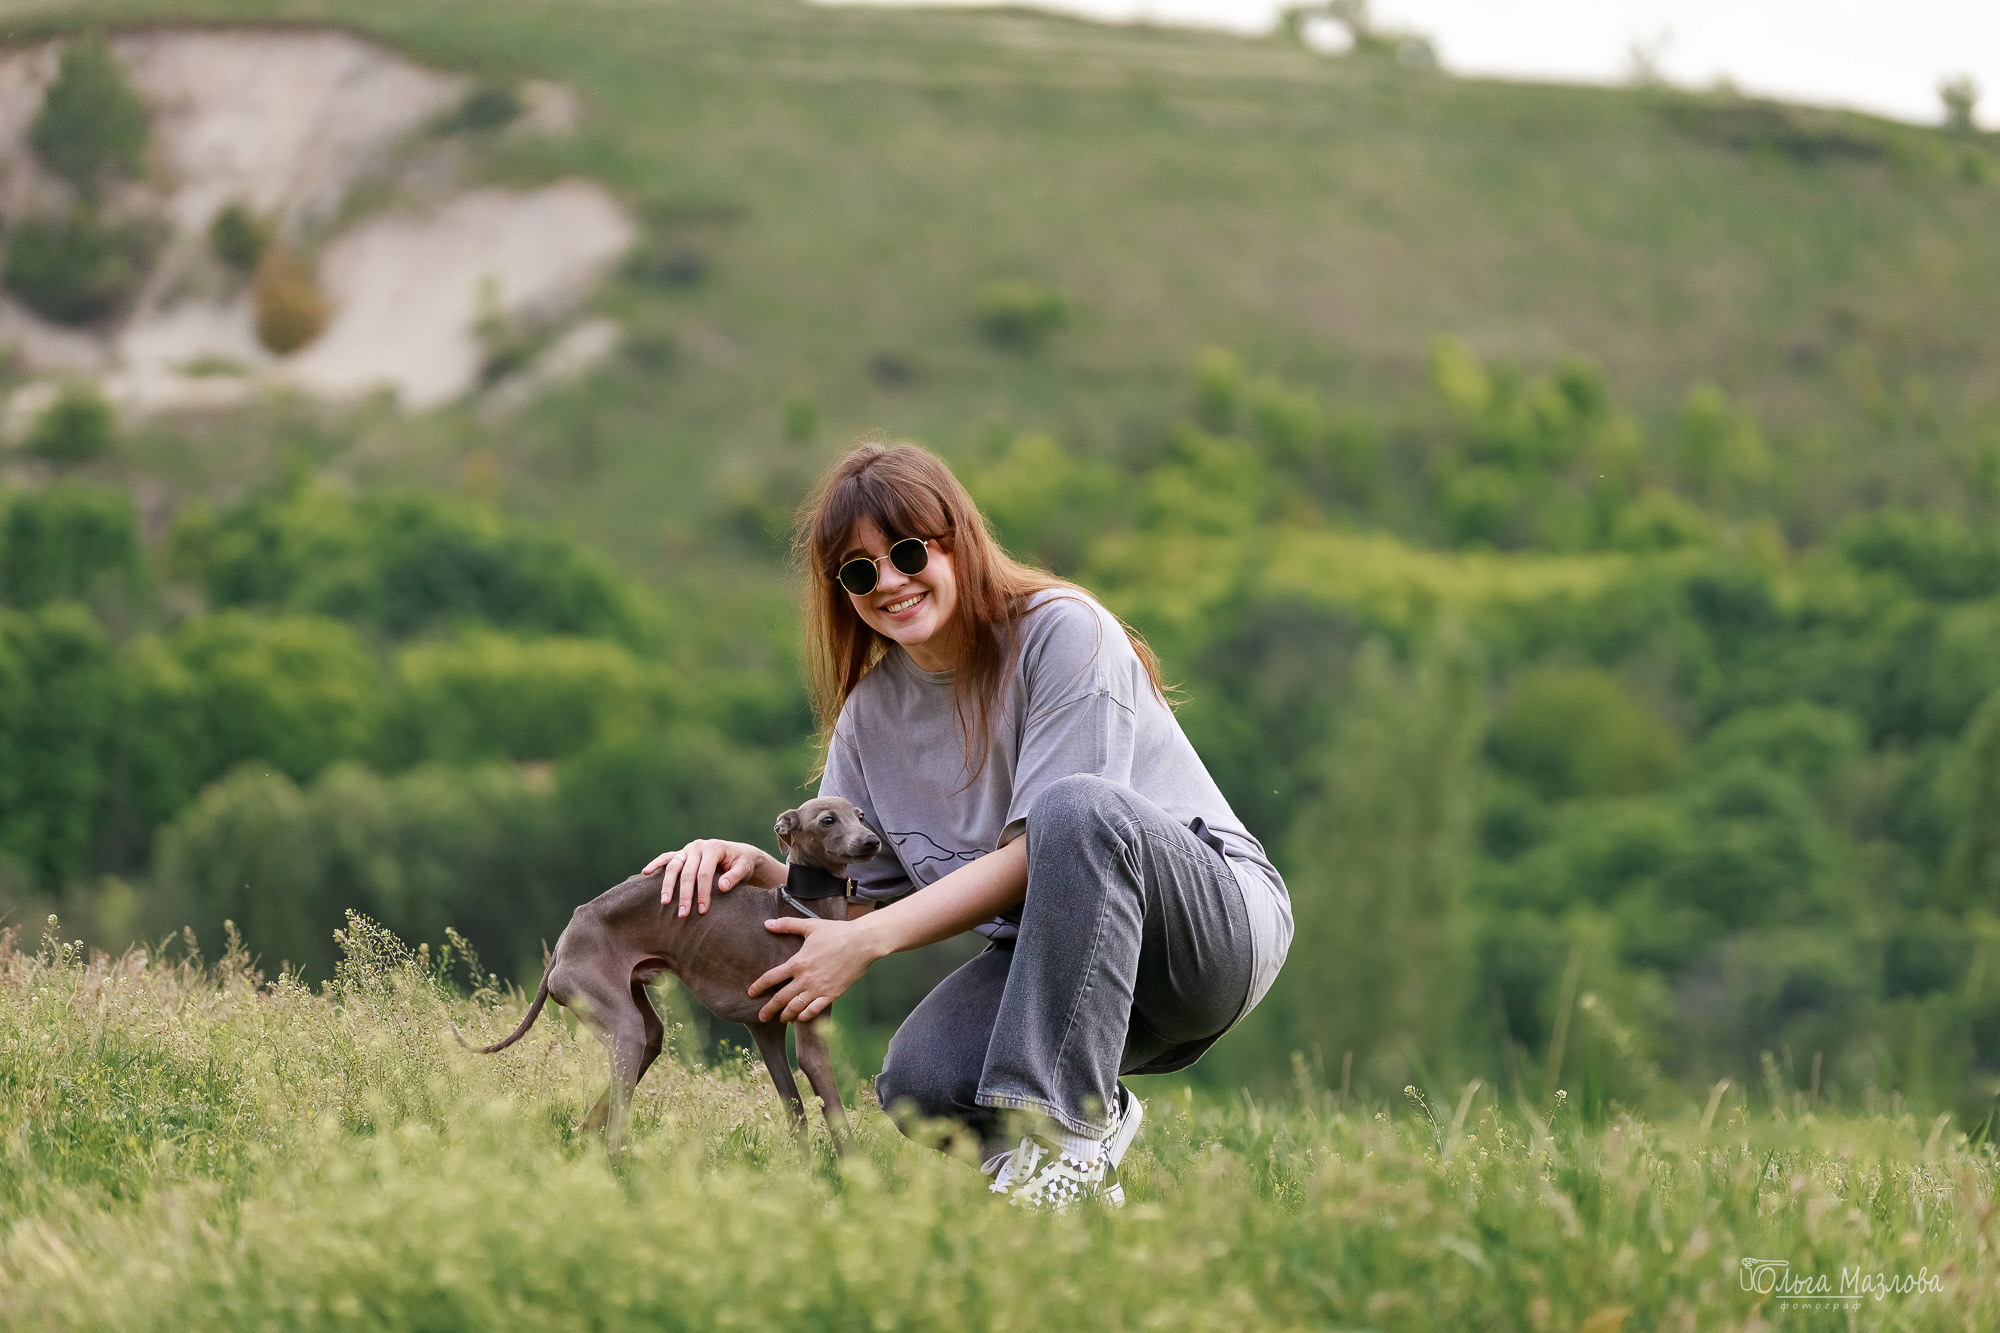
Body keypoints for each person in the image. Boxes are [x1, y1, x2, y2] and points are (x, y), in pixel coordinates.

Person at [645, 441, 1291, 1208]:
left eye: (907, 550)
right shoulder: (869, 717)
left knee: (1071, 808)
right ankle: (1092, 1131)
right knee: (921, 1081)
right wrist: (759, 869)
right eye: (859, 572)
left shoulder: (1063, 632)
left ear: (957, 539)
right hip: (1066, 967)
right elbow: (854, 899)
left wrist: (868, 942)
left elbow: (1046, 850)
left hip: (1208, 936)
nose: (887, 581)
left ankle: (1064, 1150)